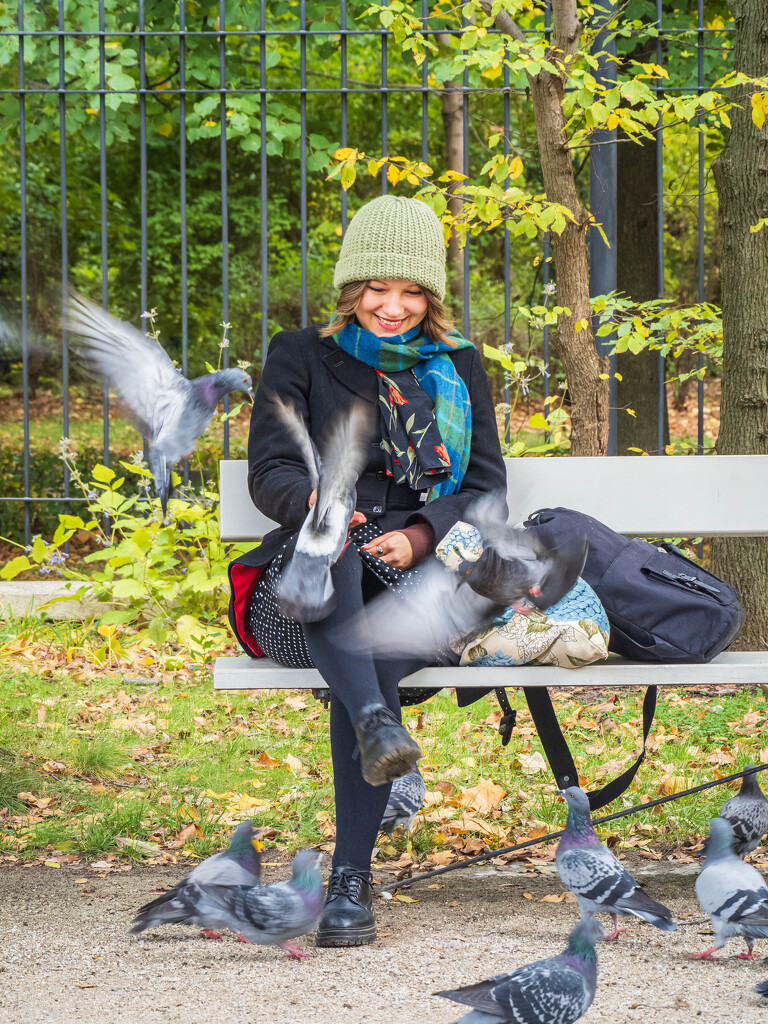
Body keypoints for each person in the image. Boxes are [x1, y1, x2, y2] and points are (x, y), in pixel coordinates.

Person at [227, 195, 506, 947]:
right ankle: (373, 745)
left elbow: (485, 488)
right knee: (337, 571)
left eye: (412, 291)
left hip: (414, 586)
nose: (393, 307)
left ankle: (353, 871)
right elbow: (271, 469)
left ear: (432, 297)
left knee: (365, 647)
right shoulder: (300, 354)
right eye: (378, 289)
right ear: (352, 289)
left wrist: (421, 535)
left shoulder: (457, 366)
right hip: (300, 593)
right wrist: (316, 501)